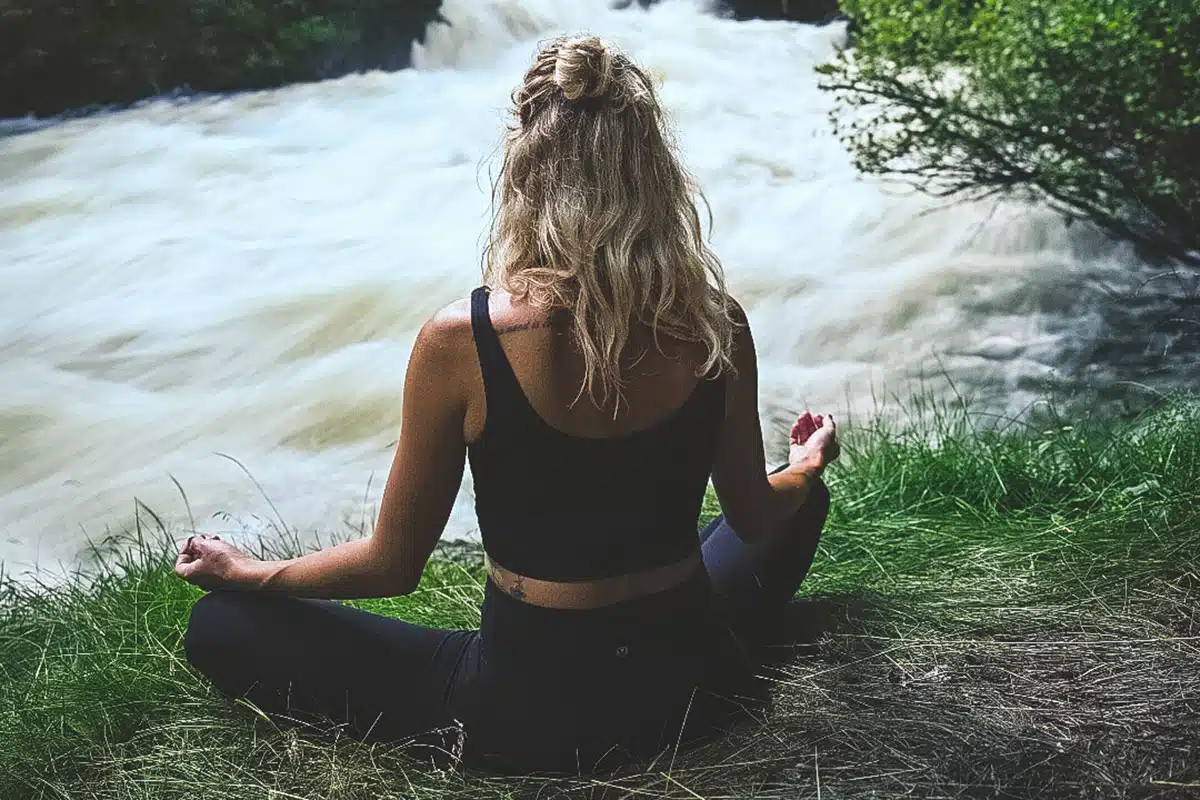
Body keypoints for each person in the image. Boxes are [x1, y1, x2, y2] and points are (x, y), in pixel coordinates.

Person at [175, 34, 840, 775]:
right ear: (655, 173)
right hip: (695, 684)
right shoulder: (718, 323)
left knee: (220, 624)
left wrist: (248, 574)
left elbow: (392, 566)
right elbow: (753, 512)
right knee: (800, 501)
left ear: (524, 173)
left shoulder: (463, 340)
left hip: (528, 713)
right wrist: (805, 466)